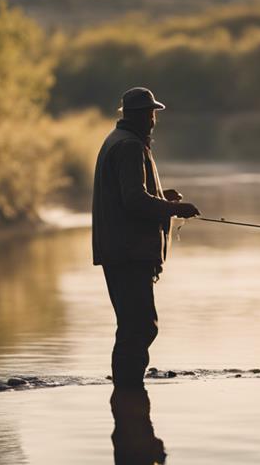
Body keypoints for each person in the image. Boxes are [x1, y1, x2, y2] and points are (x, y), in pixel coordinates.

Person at [92, 87, 200, 388]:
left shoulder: (119, 140)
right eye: (151, 114)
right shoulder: (129, 146)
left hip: (120, 250)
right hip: (128, 252)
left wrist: (162, 198)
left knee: (135, 325)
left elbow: (126, 196)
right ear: (141, 116)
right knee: (139, 327)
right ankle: (127, 390)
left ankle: (126, 395)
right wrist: (175, 208)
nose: (154, 120)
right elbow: (134, 201)